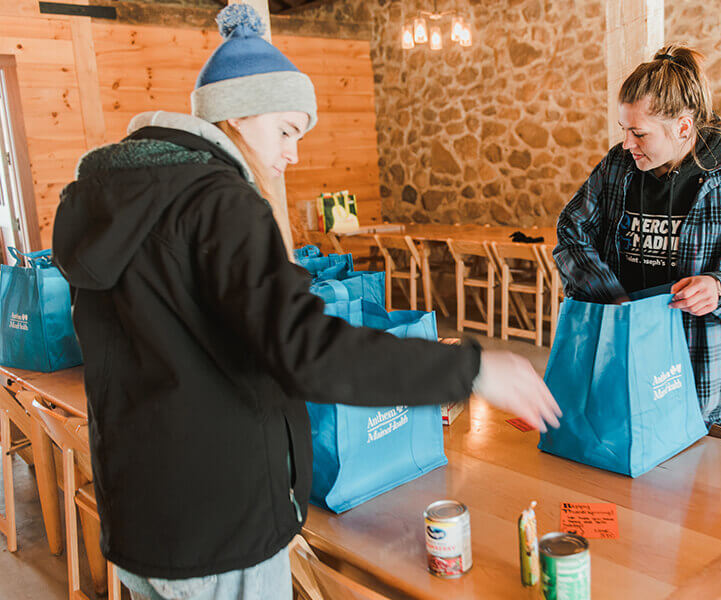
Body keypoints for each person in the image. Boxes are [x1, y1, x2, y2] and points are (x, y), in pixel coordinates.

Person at [52, 6, 560, 599]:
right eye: (287, 130)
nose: (292, 154)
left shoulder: (116, 197)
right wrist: (469, 367)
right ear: (238, 111)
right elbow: (307, 349)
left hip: (143, 519)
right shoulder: (223, 202)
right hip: (220, 531)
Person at [554, 44, 721, 429]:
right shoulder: (618, 166)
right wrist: (611, 297)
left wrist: (719, 288)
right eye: (624, 130)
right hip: (620, 363)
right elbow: (571, 231)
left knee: (691, 487)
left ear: (683, 126)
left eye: (639, 133)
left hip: (700, 379)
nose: (627, 144)